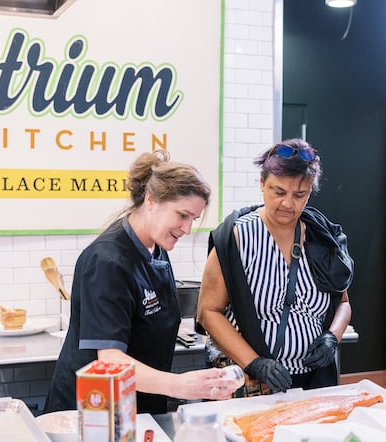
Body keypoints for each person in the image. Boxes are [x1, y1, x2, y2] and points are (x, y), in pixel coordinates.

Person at [44, 150, 240, 415]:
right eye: (182, 215)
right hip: (93, 411)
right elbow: (111, 361)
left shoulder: (156, 248)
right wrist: (180, 385)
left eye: (193, 219)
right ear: (151, 200)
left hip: (138, 403)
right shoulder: (106, 261)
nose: (187, 229)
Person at [197, 139, 354, 396]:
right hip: (252, 384)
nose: (288, 204)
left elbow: (344, 302)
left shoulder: (322, 237)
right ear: (262, 184)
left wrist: (331, 338)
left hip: (312, 383)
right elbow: (208, 311)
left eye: (299, 195)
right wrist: (254, 362)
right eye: (278, 192)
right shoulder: (237, 237)